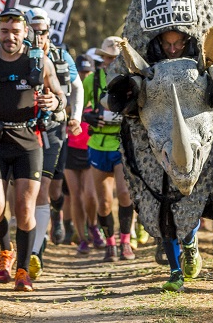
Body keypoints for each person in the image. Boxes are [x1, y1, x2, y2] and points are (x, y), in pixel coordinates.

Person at [0, 7, 65, 292]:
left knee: (25, 208)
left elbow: (59, 94)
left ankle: (22, 271)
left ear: (25, 32)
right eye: (4, 32)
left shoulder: (38, 61)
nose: (10, 37)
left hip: (29, 142)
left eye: (16, 31)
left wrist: (54, 103)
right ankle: (5, 251)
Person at [24, 8, 82, 279]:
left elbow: (77, 87)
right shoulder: (18, 55)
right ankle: (36, 251)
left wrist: (76, 117)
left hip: (55, 129)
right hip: (24, 130)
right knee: (36, 189)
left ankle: (57, 215)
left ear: (50, 31)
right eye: (33, 30)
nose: (39, 36)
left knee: (55, 189)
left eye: (43, 31)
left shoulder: (61, 56)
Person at [144, 27, 204, 277]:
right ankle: (175, 270)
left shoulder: (199, 60)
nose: (172, 50)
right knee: (163, 207)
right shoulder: (148, 57)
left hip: (195, 137)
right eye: (167, 45)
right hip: (157, 142)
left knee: (190, 200)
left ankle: (190, 241)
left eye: (177, 44)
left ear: (187, 41)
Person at [82, 36, 136, 262]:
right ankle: (110, 244)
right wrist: (90, 117)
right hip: (98, 145)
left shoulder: (131, 80)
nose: (111, 61)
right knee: (103, 201)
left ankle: (125, 241)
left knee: (125, 193)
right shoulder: (92, 80)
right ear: (102, 58)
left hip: (122, 144)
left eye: (116, 58)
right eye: (107, 58)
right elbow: (76, 108)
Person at [64, 53, 99, 253]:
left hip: (90, 147)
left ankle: (93, 225)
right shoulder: (72, 91)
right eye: (81, 71)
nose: (85, 75)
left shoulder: (95, 91)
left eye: (88, 71)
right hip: (70, 148)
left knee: (90, 196)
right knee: (75, 196)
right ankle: (83, 238)